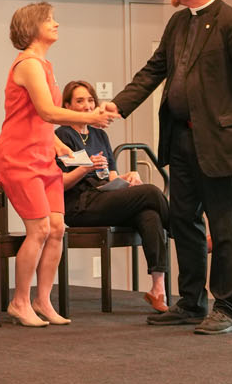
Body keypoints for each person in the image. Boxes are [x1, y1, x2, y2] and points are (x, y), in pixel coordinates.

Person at [101, 0, 232, 335]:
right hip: (179, 139)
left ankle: (226, 308)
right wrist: (117, 106)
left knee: (224, 226)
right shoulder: (178, 23)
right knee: (182, 219)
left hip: (218, 142)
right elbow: (153, 71)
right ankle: (192, 302)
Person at [0, 3, 103, 327]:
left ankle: (42, 299)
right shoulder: (27, 64)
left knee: (57, 229)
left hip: (42, 157)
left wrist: (62, 149)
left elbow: (41, 122)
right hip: (19, 158)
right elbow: (47, 112)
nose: (56, 24)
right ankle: (19, 301)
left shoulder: (45, 65)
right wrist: (89, 117)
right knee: (38, 229)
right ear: (33, 27)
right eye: (49, 20)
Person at [55, 80, 170, 312]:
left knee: (149, 214)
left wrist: (127, 178)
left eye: (90, 100)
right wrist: (85, 168)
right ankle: (181, 229)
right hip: (81, 205)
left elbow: (111, 177)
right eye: (79, 101)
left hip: (105, 199)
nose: (87, 105)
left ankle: (158, 289)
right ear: (67, 105)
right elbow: (60, 184)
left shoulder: (100, 135)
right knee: (150, 192)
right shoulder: (62, 135)